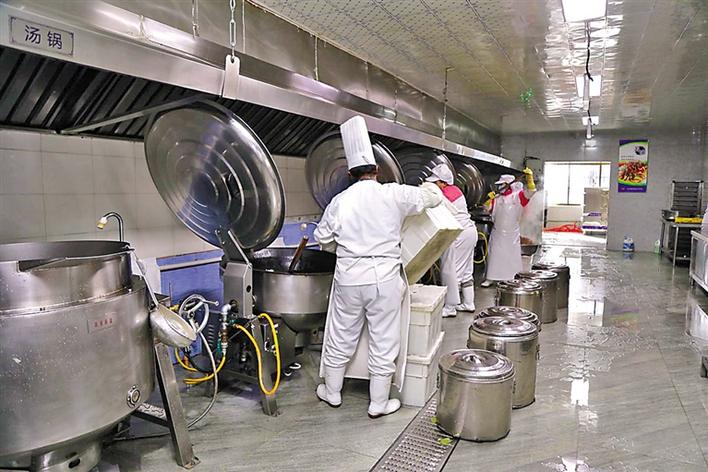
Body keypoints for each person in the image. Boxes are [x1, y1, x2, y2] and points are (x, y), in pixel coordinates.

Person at [314, 116, 443, 418]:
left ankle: (332, 393)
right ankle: (378, 403)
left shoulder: (340, 201)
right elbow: (433, 198)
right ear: (378, 170)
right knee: (384, 340)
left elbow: (323, 238)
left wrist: (342, 248)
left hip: (349, 278)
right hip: (385, 278)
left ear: (350, 173)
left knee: (340, 336)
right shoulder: (394, 193)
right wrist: (431, 185)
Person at [424, 163, 478, 317]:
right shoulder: (456, 190)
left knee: (452, 271)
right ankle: (468, 303)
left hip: (459, 235)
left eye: (436, 182)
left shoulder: (444, 194)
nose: (435, 185)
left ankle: (450, 307)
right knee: (466, 271)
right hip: (470, 232)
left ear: (443, 182)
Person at [481, 168, 536, 286]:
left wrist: (530, 179)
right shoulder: (497, 198)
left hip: (512, 234)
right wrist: (488, 200)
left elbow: (531, 192)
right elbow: (486, 209)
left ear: (508, 185)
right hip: (497, 233)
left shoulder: (518, 196)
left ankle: (511, 277)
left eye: (502, 184)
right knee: (494, 256)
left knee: (510, 257)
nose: (500, 187)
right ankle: (491, 277)